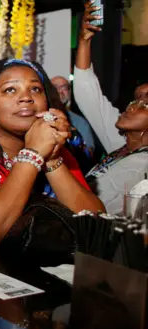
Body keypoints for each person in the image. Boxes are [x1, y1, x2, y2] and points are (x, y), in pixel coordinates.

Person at [0, 59, 105, 249]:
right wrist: (33, 154)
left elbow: (96, 226)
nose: (26, 97)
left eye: (35, 89)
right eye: (10, 90)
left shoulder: (56, 151)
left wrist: (50, 160)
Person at [73, 0, 148, 154]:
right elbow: (87, 94)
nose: (134, 105)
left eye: (146, 102)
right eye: (136, 98)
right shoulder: (119, 138)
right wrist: (84, 41)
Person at [86, 99, 148, 214]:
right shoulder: (125, 150)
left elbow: (89, 205)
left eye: (144, 106)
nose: (130, 108)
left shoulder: (141, 163)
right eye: (132, 103)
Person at [51, 75, 99, 157]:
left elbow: (89, 154)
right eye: (55, 87)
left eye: (64, 88)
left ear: (70, 92)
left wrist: (76, 141)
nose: (60, 91)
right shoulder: (37, 117)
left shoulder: (80, 122)